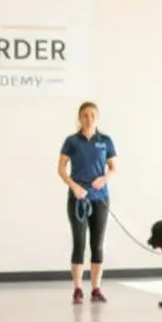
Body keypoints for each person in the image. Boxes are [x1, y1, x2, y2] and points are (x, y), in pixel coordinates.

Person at [58, 101, 117, 304]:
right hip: (78, 199)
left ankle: (96, 289)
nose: (88, 118)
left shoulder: (105, 141)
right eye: (85, 115)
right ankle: (77, 289)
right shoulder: (72, 141)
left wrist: (104, 179)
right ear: (79, 118)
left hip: (100, 198)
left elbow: (113, 168)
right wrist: (74, 186)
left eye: (92, 115)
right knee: (79, 243)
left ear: (97, 117)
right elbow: (61, 169)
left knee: (97, 244)